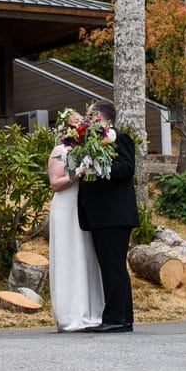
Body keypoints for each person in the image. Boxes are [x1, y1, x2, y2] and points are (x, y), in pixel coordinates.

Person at [77, 99, 139, 333]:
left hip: (114, 214)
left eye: (91, 117)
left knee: (114, 267)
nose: (87, 121)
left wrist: (99, 167)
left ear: (103, 118)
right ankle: (123, 319)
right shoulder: (89, 144)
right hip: (100, 215)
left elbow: (126, 168)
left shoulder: (119, 138)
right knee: (112, 266)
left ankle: (115, 319)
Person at [47, 108, 104, 332]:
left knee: (84, 255)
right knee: (68, 255)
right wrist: (78, 171)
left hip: (82, 206)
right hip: (65, 206)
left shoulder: (85, 149)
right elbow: (55, 183)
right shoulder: (59, 150)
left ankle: (90, 312)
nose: (80, 130)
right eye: (76, 126)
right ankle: (69, 315)